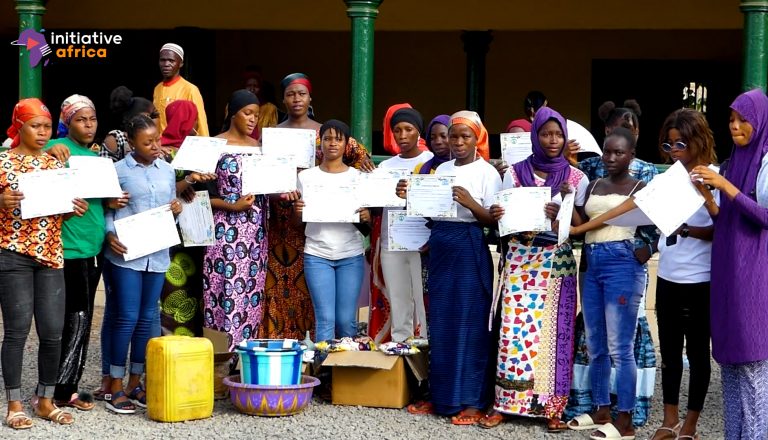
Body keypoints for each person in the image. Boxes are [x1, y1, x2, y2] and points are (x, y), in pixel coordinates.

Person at [479, 107, 587, 432]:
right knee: (513, 333)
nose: (552, 140)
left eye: (558, 134)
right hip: (520, 259)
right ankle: (504, 403)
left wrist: (563, 209)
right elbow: (503, 220)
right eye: (545, 134)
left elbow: (581, 225)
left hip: (556, 259)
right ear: (535, 136)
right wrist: (498, 213)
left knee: (554, 336)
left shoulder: (575, 178)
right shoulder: (512, 173)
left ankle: (552, 408)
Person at [400, 110, 501, 425]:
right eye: (454, 136)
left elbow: (495, 221)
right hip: (441, 244)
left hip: (469, 244)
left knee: (470, 323)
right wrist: (409, 197)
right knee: (441, 323)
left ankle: (472, 400)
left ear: (476, 139)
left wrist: (471, 202)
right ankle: (442, 397)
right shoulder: (440, 168)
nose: (458, 142)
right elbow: (430, 210)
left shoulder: (488, 173)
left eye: (464, 136)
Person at [103, 115, 207, 414]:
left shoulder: (167, 171)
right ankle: (115, 385)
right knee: (127, 317)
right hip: (126, 254)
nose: (154, 147)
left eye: (157, 141)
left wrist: (175, 209)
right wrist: (109, 233)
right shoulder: (118, 171)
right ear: (131, 142)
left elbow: (167, 210)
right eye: (147, 142)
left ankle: (136, 382)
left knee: (149, 315)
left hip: (158, 253)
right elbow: (107, 207)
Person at [564, 99, 658, 427]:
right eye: (607, 151)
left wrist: (646, 249)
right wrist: (565, 200)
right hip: (590, 263)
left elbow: (655, 224)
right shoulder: (593, 184)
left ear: (632, 155)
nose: (611, 158)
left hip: (622, 264)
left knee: (621, 346)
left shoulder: (639, 186)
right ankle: (601, 408)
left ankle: (625, 419)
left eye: (619, 153)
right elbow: (579, 223)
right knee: (595, 343)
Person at [261, 73, 372, 340]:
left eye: (301, 93)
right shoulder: (272, 135)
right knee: (285, 290)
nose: (296, 99)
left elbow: (362, 160)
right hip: (287, 224)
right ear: (283, 98)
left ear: (310, 97)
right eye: (290, 94)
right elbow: (260, 173)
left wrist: (371, 181)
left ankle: (338, 366)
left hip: (333, 231)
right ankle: (298, 350)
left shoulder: (324, 131)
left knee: (340, 315)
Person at [0, 98, 88, 428]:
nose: (42, 132)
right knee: (17, 332)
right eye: (35, 126)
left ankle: (45, 400)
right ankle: (15, 405)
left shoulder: (54, 166)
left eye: (47, 127)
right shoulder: (3, 162)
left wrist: (71, 207)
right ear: (19, 126)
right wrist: (1, 200)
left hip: (51, 255)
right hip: (13, 255)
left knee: (52, 333)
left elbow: (55, 211)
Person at [690, 89, 768, 439]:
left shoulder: (765, 162)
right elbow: (727, 220)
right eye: (732, 120)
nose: (735, 127)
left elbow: (765, 217)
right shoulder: (734, 162)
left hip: (753, 273)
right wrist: (708, 196)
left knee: (752, 361)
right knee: (732, 364)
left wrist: (726, 185)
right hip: (726, 270)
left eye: (743, 120)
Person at [647, 109, 718, 440]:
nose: (674, 152)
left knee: (698, 353)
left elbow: (723, 228)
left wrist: (688, 228)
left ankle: (691, 423)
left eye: (680, 144)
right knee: (670, 351)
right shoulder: (665, 179)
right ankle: (669, 418)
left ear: (697, 141)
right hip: (668, 274)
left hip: (700, 278)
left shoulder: (714, 177)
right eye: (668, 145)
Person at [44, 95, 104, 412]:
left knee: (80, 318)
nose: (89, 125)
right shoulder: (57, 148)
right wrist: (48, 148)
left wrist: (115, 199)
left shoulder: (97, 157)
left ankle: (65, 385)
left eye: (92, 118)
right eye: (81, 119)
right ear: (68, 122)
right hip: (69, 249)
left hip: (94, 247)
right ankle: (63, 389)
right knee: (76, 319)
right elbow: (13, 150)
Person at [294, 120, 370, 341]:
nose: (332, 143)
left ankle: (345, 372)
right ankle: (324, 371)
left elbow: (367, 223)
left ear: (347, 144)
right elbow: (297, 223)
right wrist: (296, 212)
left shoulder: (358, 178)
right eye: (327, 138)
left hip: (351, 255)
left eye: (338, 139)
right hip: (317, 255)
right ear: (320, 143)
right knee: (325, 319)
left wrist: (366, 217)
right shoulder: (306, 177)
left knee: (346, 320)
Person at [374, 108, 433, 342]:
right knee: (398, 298)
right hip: (393, 240)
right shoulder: (384, 167)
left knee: (423, 298)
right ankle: (400, 346)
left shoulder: (429, 162)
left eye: (408, 129)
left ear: (418, 132)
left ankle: (427, 349)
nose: (402, 135)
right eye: (397, 130)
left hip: (422, 241)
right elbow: (377, 203)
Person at [158, 99, 210, 337]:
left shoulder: (199, 148)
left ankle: (187, 348)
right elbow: (161, 188)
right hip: (179, 230)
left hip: (193, 228)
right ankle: (173, 347)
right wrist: (189, 181)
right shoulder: (161, 152)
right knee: (175, 287)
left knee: (190, 288)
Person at [153, 43, 209, 136]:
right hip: (161, 146)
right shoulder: (157, 89)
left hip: (180, 145)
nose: (166, 64)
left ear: (181, 63)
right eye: (162, 60)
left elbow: (201, 122)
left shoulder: (190, 89)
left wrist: (205, 145)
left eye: (171, 60)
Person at [101, 86, 159, 162]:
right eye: (148, 116)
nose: (151, 121)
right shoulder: (116, 139)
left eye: (154, 116)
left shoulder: (156, 139)